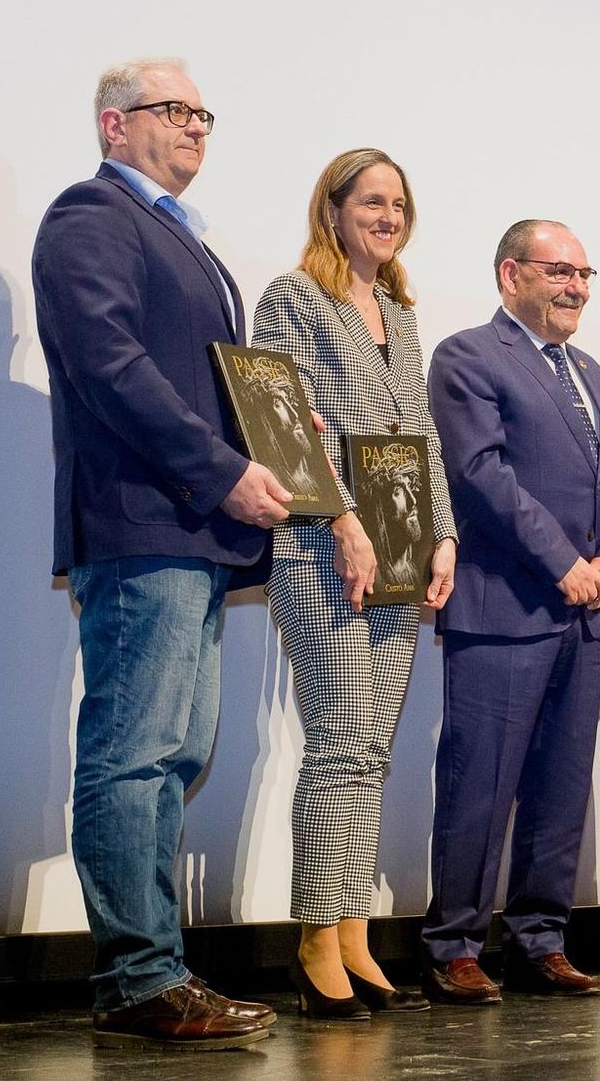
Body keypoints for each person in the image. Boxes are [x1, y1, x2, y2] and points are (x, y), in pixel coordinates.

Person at [32, 58, 283, 1048]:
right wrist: (220, 466)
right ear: (112, 123)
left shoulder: (187, 239)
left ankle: (156, 969)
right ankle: (138, 976)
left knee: (176, 753)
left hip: (189, 531)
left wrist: (272, 433)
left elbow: (190, 376)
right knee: (134, 757)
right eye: (172, 110)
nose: (194, 127)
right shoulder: (88, 216)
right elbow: (111, 366)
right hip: (144, 523)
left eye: (201, 113)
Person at [252, 147, 459, 1020]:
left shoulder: (401, 313)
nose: (387, 214)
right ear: (331, 209)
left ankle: (353, 933)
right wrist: (339, 518)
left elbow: (422, 436)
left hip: (401, 552)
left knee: (370, 754)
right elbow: (283, 424)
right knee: (339, 745)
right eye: (371, 200)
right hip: (324, 550)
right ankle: (313, 942)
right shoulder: (292, 298)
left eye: (399, 203)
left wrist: (443, 532)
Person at [420, 219, 600, 1004]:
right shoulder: (468, 356)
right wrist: (567, 563)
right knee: (482, 784)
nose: (576, 286)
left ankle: (540, 938)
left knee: (559, 784)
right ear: (511, 274)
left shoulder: (595, 374)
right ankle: (454, 946)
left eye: (584, 272)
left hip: (583, 612)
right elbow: (481, 476)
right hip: (503, 605)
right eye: (559, 271)